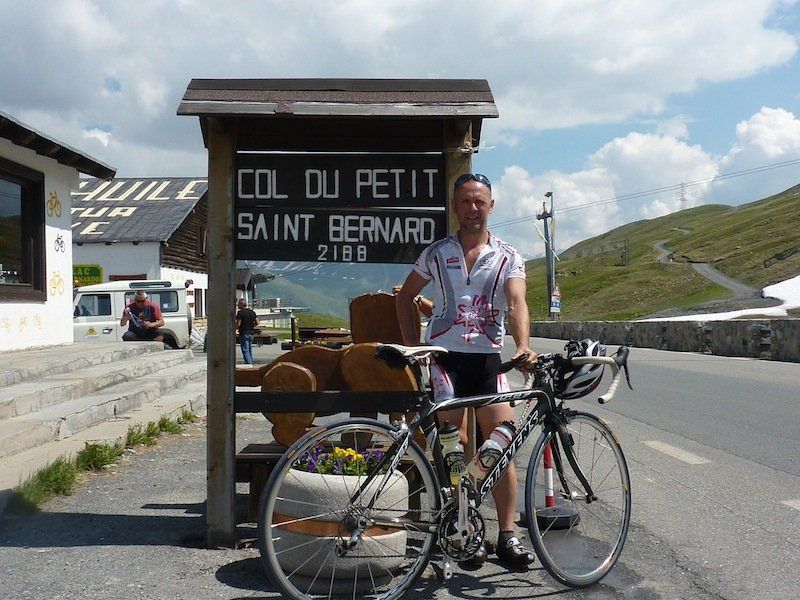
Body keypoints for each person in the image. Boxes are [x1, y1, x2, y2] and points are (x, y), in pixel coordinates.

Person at [396, 172, 537, 569]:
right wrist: (414, 348)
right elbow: (405, 297)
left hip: (488, 360)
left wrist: (523, 345)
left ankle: (506, 535)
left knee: (502, 443)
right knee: (453, 444)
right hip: (445, 359)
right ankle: (464, 531)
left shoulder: (509, 255)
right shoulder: (436, 253)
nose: (473, 208)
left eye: (480, 201)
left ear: (491, 206)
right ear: (454, 207)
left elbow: (516, 302)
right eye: (465, 201)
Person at [235, 298, 259, 365]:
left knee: (245, 349)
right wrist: (252, 325)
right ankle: (250, 361)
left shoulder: (240, 313)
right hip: (251, 332)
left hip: (244, 332)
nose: (237, 305)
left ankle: (249, 363)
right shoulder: (252, 312)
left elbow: (238, 324)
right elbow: (257, 322)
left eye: (239, 304)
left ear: (242, 304)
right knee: (249, 349)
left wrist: (234, 329)